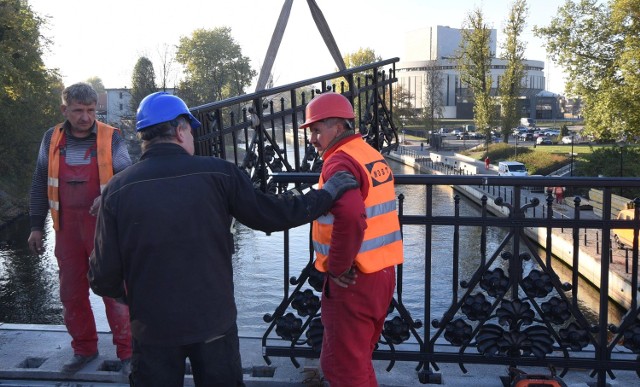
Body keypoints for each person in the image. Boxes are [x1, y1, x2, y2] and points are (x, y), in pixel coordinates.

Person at [88, 92, 358, 387]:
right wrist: (326, 194)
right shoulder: (219, 174)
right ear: (180, 130)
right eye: (190, 131)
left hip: (152, 328)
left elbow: (103, 275)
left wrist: (132, 297)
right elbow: (272, 215)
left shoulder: (117, 189)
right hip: (212, 323)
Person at [27, 82, 133, 374]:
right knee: (71, 292)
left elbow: (128, 177)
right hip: (66, 230)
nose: (86, 117)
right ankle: (84, 349)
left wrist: (107, 195)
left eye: (90, 110)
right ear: (65, 110)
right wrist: (36, 226)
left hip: (106, 230)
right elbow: (39, 182)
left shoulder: (112, 138)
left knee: (115, 291)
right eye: (78, 111)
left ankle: (128, 353)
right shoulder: (51, 138)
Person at [300, 92, 404, 386]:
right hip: (382, 274)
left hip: (353, 280)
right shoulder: (370, 155)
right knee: (358, 360)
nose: (313, 139)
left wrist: (337, 267)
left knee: (342, 368)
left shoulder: (339, 162)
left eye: (317, 130)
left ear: (338, 127)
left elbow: (350, 215)